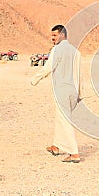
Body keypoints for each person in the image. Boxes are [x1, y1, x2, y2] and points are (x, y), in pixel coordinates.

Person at [31, 24, 82, 163]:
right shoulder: (76, 51)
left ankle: (74, 153)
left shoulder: (57, 50)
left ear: (62, 35)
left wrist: (35, 79)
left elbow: (48, 67)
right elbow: (78, 74)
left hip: (62, 91)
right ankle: (56, 146)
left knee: (65, 120)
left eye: (54, 35)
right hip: (72, 91)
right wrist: (79, 94)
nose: (52, 38)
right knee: (60, 117)